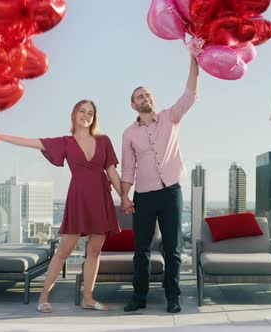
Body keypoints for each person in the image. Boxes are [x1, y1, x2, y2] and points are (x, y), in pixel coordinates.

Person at [0, 100, 123, 313]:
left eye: (90, 113)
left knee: (94, 251)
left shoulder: (104, 141)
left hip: (100, 199)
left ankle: (88, 298)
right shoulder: (65, 142)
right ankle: (44, 297)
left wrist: (125, 197)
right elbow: (30, 142)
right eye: (82, 111)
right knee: (63, 251)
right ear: (74, 114)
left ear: (94, 118)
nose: (86, 115)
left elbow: (112, 172)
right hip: (79, 199)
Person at [120, 56, 199, 313]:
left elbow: (190, 94)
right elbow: (127, 168)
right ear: (133, 105)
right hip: (143, 195)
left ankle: (173, 298)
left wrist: (193, 60)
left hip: (171, 193)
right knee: (141, 251)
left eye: (148, 95)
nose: (146, 98)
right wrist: (124, 197)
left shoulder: (170, 117)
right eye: (140, 96)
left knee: (172, 249)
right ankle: (138, 298)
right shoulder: (128, 134)